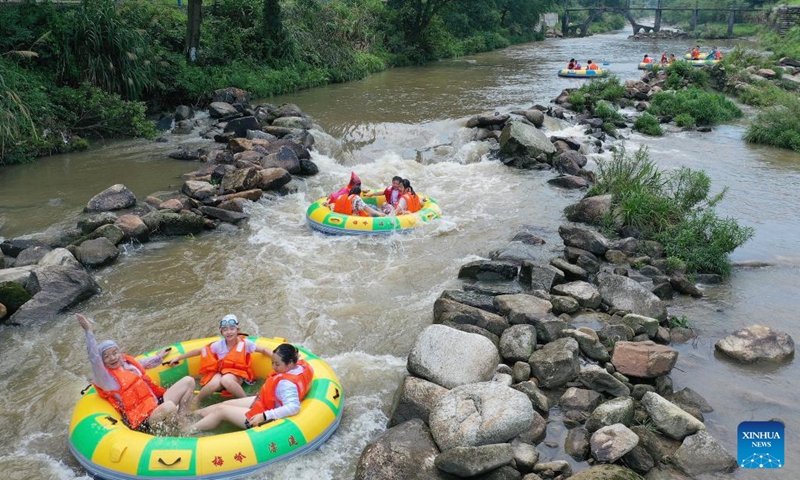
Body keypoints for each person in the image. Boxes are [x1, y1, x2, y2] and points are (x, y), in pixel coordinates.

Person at [76, 313, 195, 432]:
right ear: (102, 361)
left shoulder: (127, 364)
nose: (112, 358)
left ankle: (182, 419)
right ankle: (176, 429)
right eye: (106, 356)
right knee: (169, 406)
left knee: (188, 381)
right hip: (143, 419)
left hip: (154, 403)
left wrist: (159, 357)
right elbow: (94, 358)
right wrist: (88, 331)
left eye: (115, 353)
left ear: (119, 353)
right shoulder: (105, 378)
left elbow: (144, 363)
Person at [191, 343, 313, 431]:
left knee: (221, 410)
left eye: (277, 364)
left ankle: (189, 431)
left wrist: (264, 416)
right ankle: (191, 414)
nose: (273, 367)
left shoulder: (287, 384)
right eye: (272, 363)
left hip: (262, 417)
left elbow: (294, 407)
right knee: (224, 404)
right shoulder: (300, 365)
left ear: (291, 362)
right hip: (263, 402)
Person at [168, 314, 272, 405]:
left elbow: (262, 350)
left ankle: (246, 400)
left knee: (226, 379)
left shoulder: (246, 344)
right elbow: (200, 351)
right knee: (214, 383)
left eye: (232, 328)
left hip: (237, 375)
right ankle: (197, 401)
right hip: (221, 372)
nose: (229, 332)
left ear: (238, 330)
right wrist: (179, 357)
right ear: (221, 332)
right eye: (225, 329)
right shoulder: (218, 345)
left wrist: (276, 357)